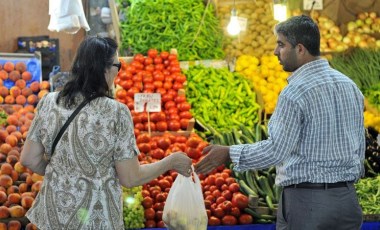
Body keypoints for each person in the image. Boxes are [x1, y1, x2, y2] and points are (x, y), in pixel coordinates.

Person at [195, 15, 364, 230]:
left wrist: (229, 152)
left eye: (281, 45)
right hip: (347, 201)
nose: (275, 52)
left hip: (307, 204)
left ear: (300, 49)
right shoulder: (349, 85)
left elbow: (277, 150)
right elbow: (360, 146)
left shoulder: (295, 92)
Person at [20, 36, 193, 230]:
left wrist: (65, 173)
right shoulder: (116, 113)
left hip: (52, 216)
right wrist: (171, 161)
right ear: (104, 69)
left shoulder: (49, 102)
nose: (118, 72)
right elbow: (130, 178)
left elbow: (28, 159)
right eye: (117, 66)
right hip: (96, 220)